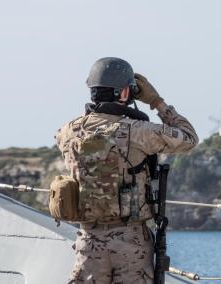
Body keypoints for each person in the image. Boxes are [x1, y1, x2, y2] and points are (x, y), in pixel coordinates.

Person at [55, 57, 198, 284]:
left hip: (89, 241)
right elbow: (189, 138)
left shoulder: (67, 132)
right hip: (131, 243)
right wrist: (157, 102)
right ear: (123, 93)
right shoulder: (139, 131)